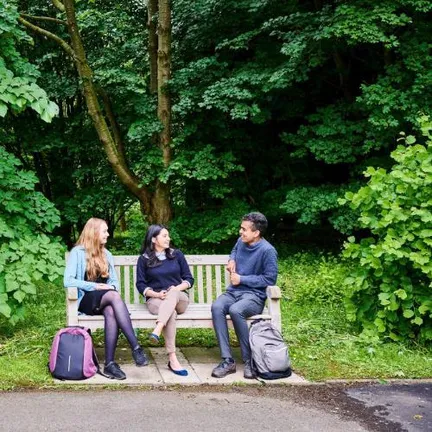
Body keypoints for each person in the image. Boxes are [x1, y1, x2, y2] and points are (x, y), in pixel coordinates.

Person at [64, 217, 148, 380]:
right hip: (86, 301)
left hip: (105, 300)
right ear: (94, 232)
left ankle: (109, 364)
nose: (108, 234)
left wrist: (108, 287)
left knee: (110, 310)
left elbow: (114, 283)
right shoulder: (77, 253)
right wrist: (95, 286)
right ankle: (135, 346)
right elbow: (68, 280)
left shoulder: (106, 254)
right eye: (105, 231)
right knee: (112, 295)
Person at [211, 212, 278, 379]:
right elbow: (234, 251)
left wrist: (242, 278)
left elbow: (269, 278)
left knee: (235, 310)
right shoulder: (240, 242)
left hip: (254, 296)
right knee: (217, 306)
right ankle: (228, 361)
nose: (240, 232)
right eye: (241, 228)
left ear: (256, 233)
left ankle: (249, 361)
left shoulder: (268, 251)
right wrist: (231, 260)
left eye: (244, 229)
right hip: (234, 292)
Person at [136, 224, 194, 376]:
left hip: (179, 298)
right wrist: (156, 294)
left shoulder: (177, 255)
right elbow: (140, 284)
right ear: (154, 239)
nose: (169, 238)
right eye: (164, 236)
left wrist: (175, 289)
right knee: (171, 314)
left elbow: (189, 279)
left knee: (173, 292)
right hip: (156, 300)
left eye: (168, 235)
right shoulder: (144, 259)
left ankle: (157, 329)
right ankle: (173, 358)